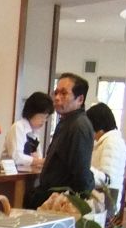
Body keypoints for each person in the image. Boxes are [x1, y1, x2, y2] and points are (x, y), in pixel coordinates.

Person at [25, 73, 94, 209]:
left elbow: (80, 172)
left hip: (60, 202)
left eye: (63, 93)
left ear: (80, 99)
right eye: (56, 93)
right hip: (48, 196)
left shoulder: (78, 126)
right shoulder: (67, 121)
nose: (57, 98)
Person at [86, 102, 126, 213]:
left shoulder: (112, 143)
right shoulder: (107, 141)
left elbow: (108, 179)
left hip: (105, 202)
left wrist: (84, 169)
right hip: (101, 200)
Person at [3, 91, 54, 169]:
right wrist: (40, 161)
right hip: (11, 174)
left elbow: (38, 159)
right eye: (41, 116)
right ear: (31, 112)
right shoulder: (18, 127)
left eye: (46, 117)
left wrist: (37, 160)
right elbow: (16, 157)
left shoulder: (35, 132)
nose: (44, 121)